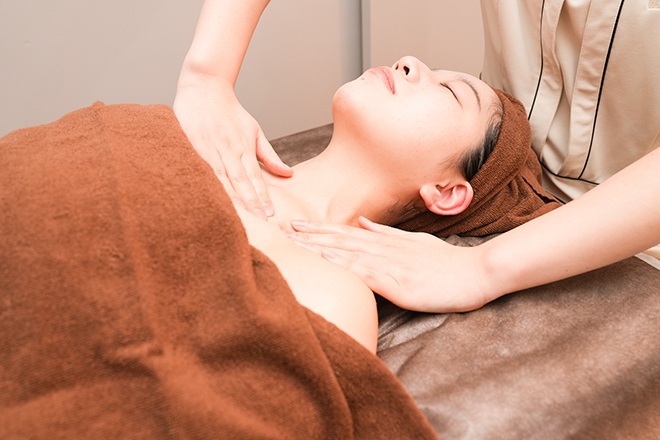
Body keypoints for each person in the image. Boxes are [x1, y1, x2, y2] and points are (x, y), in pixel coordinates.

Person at [173, 0, 660, 313]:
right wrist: (207, 74)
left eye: (450, 92)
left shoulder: (335, 296)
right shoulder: (182, 144)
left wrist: (481, 269)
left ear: (446, 191)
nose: (408, 60)